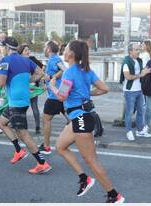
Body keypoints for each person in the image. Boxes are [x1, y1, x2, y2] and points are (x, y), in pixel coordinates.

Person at [49, 40, 125, 203]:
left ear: (71, 54)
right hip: (81, 116)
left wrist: (52, 86)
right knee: (60, 146)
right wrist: (87, 95)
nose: (64, 50)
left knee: (91, 160)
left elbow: (62, 96)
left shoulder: (69, 73)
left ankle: (114, 195)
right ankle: (85, 178)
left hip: (80, 118)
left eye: (66, 48)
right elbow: (104, 88)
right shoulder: (86, 71)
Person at [0, 37, 51, 174]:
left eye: (2, 47)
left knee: (22, 133)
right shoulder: (26, 60)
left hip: (16, 102)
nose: (2, 49)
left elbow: (1, 83)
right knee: (1, 123)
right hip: (21, 99)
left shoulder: (5, 61)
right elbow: (40, 73)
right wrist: (27, 80)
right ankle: (19, 150)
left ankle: (42, 163)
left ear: (6, 48)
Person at [39, 41, 67, 155]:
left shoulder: (54, 59)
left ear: (49, 49)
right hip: (59, 94)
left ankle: (46, 147)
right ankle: (85, 137)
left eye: (45, 47)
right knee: (72, 120)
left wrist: (52, 76)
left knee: (46, 120)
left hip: (55, 97)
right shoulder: (54, 59)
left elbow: (65, 70)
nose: (44, 49)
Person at [120, 43, 151, 141]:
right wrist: (141, 75)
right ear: (130, 51)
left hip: (139, 90)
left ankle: (139, 130)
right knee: (129, 112)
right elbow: (128, 77)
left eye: (139, 49)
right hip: (130, 91)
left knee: (141, 111)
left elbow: (141, 71)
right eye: (136, 50)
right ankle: (129, 131)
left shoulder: (139, 60)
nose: (138, 51)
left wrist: (145, 71)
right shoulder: (126, 62)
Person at [17, 44, 42, 133]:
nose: (28, 52)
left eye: (28, 50)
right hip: (24, 88)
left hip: (33, 87)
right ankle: (23, 126)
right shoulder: (19, 61)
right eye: (25, 50)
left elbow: (42, 68)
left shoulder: (32, 59)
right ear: (20, 53)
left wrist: (33, 78)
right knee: (24, 107)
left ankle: (37, 126)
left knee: (34, 106)